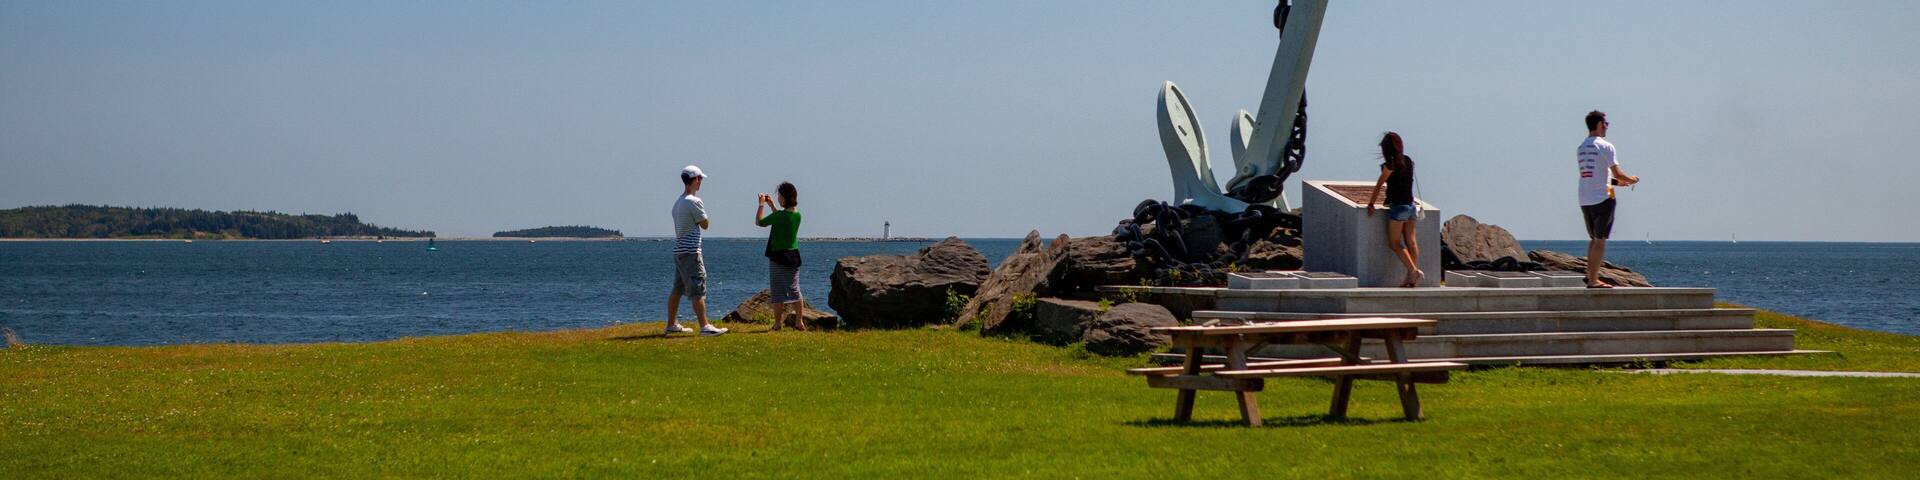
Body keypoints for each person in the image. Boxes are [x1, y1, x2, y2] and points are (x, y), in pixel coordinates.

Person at [1576, 110, 1641, 288]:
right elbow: (1617, 173)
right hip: (1603, 199)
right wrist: (1632, 179)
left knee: (1593, 238)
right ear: (1599, 124)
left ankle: (1589, 275)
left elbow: (1596, 176)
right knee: (1600, 240)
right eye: (1606, 123)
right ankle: (1593, 279)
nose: (1607, 127)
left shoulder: (1582, 147)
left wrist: (1619, 183)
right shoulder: (1605, 146)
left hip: (1585, 198)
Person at [665, 165, 727, 336]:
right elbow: (705, 224)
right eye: (700, 179)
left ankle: (671, 324)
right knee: (697, 288)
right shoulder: (694, 201)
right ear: (695, 179)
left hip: (679, 251)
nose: (701, 182)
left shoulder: (678, 202)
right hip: (691, 252)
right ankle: (704, 326)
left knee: (677, 289)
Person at [1365, 132, 1423, 288]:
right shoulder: (1408, 160)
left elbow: (1379, 185)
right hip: (1411, 206)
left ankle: (1413, 271)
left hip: (1399, 207)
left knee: (1395, 243)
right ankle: (1410, 278)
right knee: (1411, 242)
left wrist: (1371, 204)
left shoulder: (1389, 166)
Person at [755, 182, 806, 330]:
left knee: (777, 290)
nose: (778, 199)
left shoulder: (779, 216)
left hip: (778, 256)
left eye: (779, 196)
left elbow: (759, 222)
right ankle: (799, 322)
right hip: (793, 255)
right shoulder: (797, 214)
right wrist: (772, 206)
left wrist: (761, 205)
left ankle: (777, 323)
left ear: (785, 198)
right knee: (795, 289)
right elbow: (782, 219)